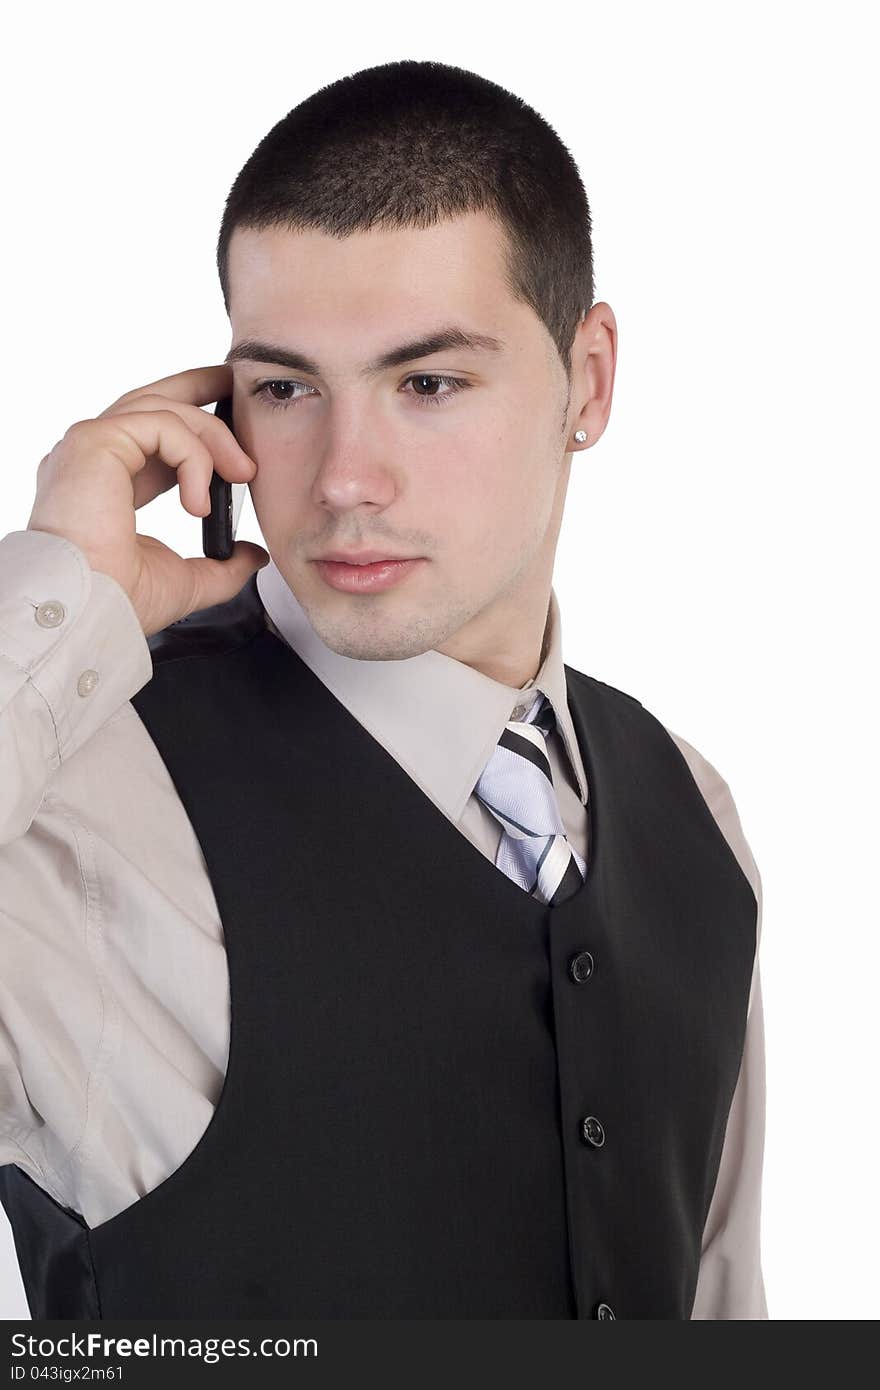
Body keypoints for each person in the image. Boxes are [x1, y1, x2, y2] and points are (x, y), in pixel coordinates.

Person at [0, 58, 767, 1320]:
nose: (346, 476)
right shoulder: (78, 795)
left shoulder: (695, 812)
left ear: (588, 379)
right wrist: (59, 596)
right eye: (288, 387)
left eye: (426, 383)